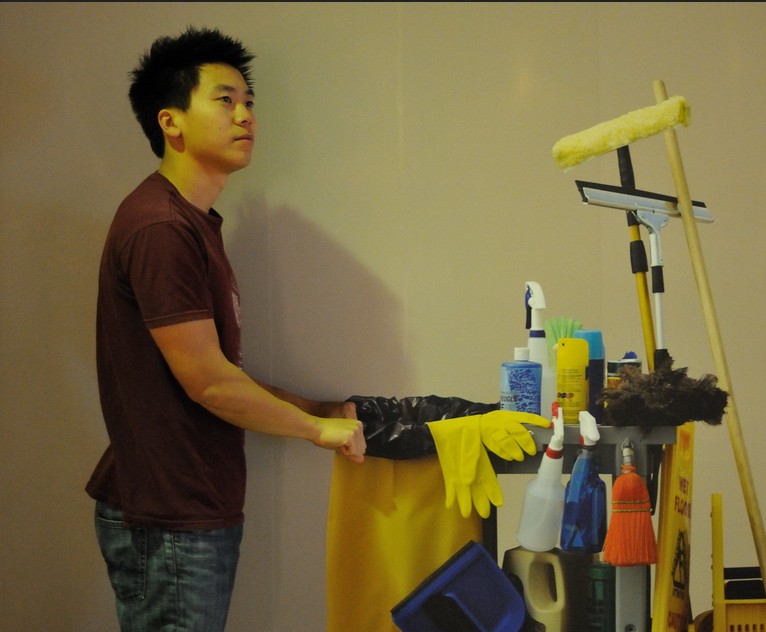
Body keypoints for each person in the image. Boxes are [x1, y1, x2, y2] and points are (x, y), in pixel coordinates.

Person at [85, 26, 366, 631]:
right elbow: (208, 383)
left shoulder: (192, 222)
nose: (245, 115)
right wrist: (316, 429)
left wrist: (316, 408)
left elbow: (217, 371)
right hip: (169, 513)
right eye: (224, 99)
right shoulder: (161, 227)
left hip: (186, 506)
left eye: (248, 101)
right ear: (171, 122)